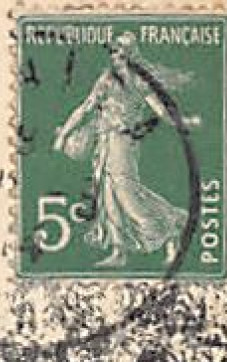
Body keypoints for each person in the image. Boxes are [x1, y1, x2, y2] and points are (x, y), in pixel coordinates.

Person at [52, 32, 190, 268]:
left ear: (130, 55)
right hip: (104, 142)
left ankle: (170, 228)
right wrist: (64, 133)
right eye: (114, 52)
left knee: (127, 193)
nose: (116, 57)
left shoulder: (138, 81)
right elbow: (86, 108)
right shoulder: (106, 79)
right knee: (108, 196)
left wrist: (180, 122)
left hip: (123, 141)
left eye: (120, 52)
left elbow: (159, 109)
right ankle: (119, 251)